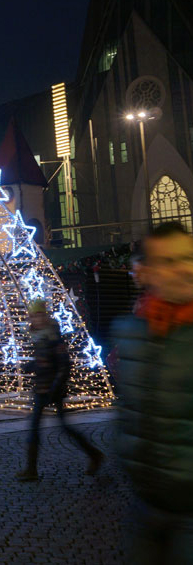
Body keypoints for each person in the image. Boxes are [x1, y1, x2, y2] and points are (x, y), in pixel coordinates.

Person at [113, 221, 193, 562]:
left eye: (188, 257)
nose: (184, 269)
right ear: (147, 273)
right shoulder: (130, 332)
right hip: (145, 506)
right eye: (169, 261)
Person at [16, 299, 103, 481]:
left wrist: (55, 388)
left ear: (45, 316)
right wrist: (32, 366)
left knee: (64, 427)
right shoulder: (37, 336)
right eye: (34, 316)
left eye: (40, 315)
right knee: (34, 427)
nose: (37, 319)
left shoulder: (54, 337)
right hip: (41, 387)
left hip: (53, 389)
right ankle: (31, 469)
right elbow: (43, 361)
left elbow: (64, 365)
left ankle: (94, 454)